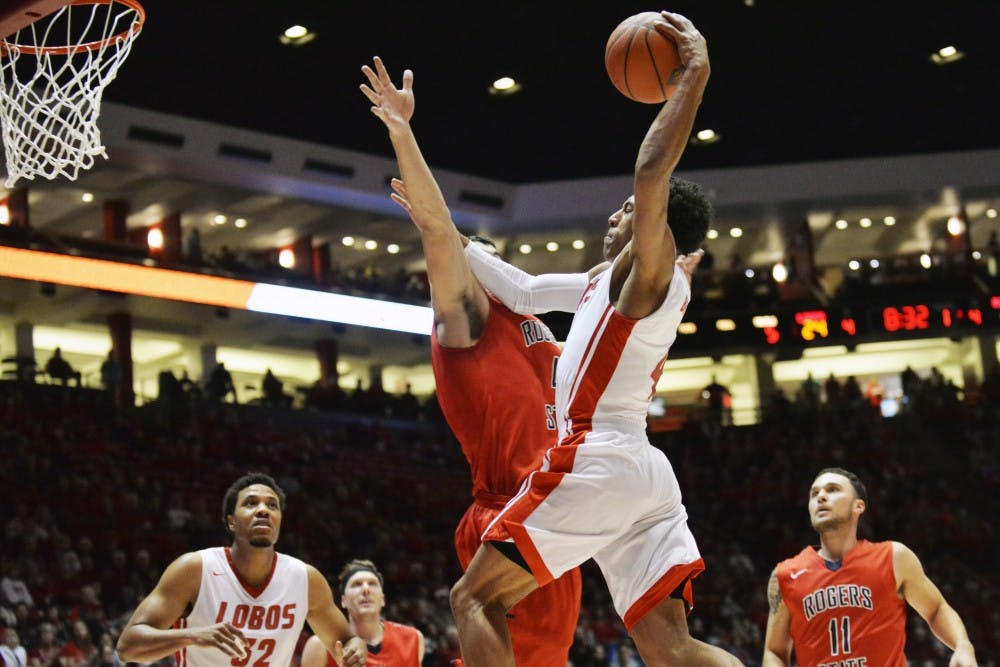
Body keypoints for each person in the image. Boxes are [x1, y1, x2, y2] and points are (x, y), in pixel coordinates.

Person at [421, 12, 738, 666]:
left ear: (657, 232)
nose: (617, 212)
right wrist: (442, 232)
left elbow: (651, 174)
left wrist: (691, 81)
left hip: (598, 453)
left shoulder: (649, 270)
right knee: (669, 647)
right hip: (645, 474)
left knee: (473, 599)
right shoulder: (607, 281)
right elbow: (529, 292)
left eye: (628, 211)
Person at [360, 55, 582, 665]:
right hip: (510, 507)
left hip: (563, 507)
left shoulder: (533, 322)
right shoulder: (465, 320)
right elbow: (438, 233)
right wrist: (402, 133)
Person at [116, 473, 366, 667]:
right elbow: (128, 647)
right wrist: (193, 635)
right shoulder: (194, 569)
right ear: (231, 521)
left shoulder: (305, 579)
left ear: (279, 521)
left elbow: (346, 641)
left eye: (272, 505)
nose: (263, 510)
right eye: (250, 503)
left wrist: (357, 649)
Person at [762, 468, 977, 667]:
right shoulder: (785, 574)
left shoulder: (893, 557)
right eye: (814, 493)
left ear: (859, 506)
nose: (821, 497)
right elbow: (775, 651)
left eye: (833, 490)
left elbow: (936, 609)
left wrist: (962, 646)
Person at [301, 559, 423, 667]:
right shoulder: (319, 645)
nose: (366, 589)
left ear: (383, 599)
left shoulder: (413, 638)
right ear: (343, 601)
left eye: (372, 584)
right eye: (356, 584)